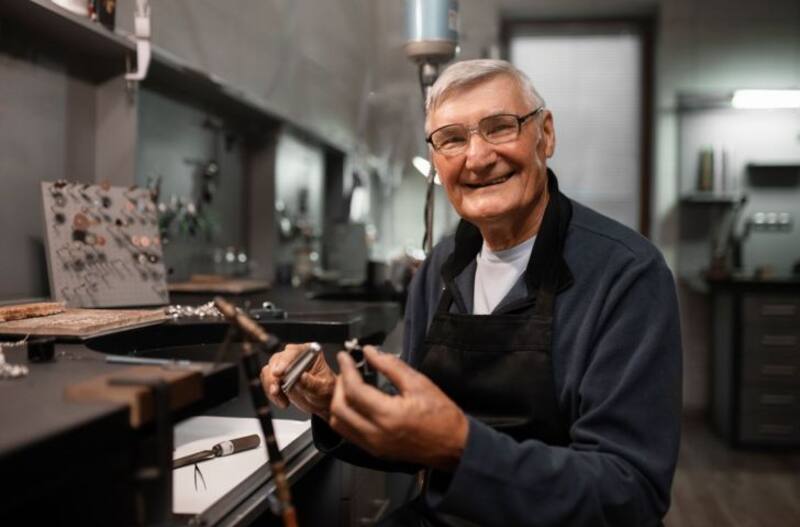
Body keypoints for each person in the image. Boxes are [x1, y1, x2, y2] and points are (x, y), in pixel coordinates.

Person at [261, 59, 682, 526]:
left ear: (545, 134)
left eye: (500, 128)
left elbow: (629, 493)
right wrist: (334, 403)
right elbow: (414, 438)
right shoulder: (440, 269)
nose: (477, 158)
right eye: (453, 139)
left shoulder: (625, 273)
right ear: (436, 160)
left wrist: (461, 447)